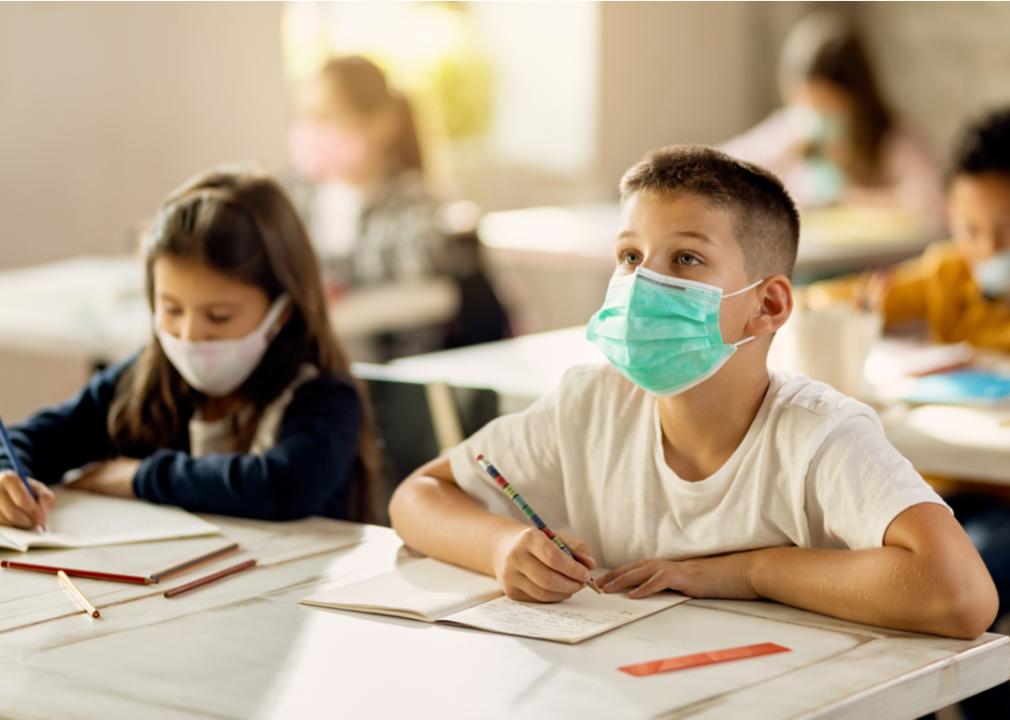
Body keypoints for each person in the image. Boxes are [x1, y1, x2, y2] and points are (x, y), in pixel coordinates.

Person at [389, 145, 996, 639]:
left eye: (684, 258)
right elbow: (418, 496)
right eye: (630, 256)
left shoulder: (816, 433)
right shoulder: (591, 404)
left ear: (768, 305)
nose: (643, 282)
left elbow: (963, 594)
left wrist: (752, 570)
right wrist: (502, 548)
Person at [0, 168, 380, 528]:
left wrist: (138, 477)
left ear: (282, 312)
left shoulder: (323, 396)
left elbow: (283, 485)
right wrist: (7, 475)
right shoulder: (145, 379)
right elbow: (33, 438)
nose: (190, 334)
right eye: (171, 310)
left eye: (218, 316)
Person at [806, 107, 1010, 351]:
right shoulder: (948, 276)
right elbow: (838, 298)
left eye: (1007, 228)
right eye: (970, 230)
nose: (990, 248)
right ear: (951, 218)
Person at [722, 12, 943, 227]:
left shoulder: (891, 140)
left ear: (856, 98)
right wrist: (786, 151)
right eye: (806, 105)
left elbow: (932, 202)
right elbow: (725, 164)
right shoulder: (795, 128)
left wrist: (851, 198)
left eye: (827, 106)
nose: (818, 117)